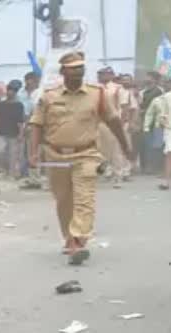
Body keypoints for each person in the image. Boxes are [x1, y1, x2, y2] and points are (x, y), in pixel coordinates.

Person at [30, 50, 130, 265]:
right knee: (64, 199)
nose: (78, 71)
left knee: (85, 198)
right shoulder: (49, 96)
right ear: (63, 71)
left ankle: (77, 240)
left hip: (86, 154)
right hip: (55, 154)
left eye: (81, 67)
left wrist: (125, 145)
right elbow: (37, 124)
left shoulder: (98, 93)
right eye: (73, 68)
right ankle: (69, 237)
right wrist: (32, 152)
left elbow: (113, 121)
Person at [97, 67, 131, 187]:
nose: (100, 76)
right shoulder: (96, 88)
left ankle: (118, 175)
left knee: (116, 150)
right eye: (99, 74)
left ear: (111, 75)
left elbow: (124, 106)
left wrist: (121, 123)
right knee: (100, 149)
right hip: (100, 123)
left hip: (113, 122)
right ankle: (106, 170)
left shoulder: (118, 88)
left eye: (103, 74)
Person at [0, 80, 26, 179]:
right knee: (0, 152)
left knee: (13, 155)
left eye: (13, 91)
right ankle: (4, 169)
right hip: (1, 132)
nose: (10, 92)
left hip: (14, 132)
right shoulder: (0, 105)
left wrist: (21, 134)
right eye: (9, 90)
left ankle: (11, 173)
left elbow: (20, 121)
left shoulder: (19, 105)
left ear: (15, 92)